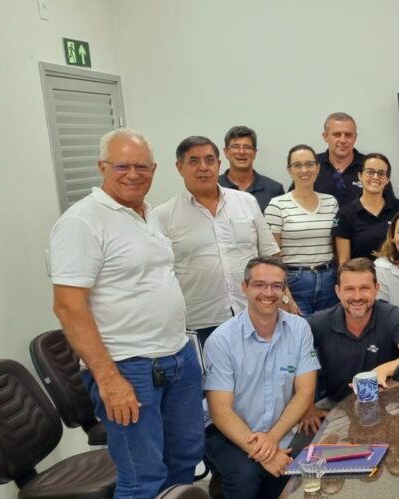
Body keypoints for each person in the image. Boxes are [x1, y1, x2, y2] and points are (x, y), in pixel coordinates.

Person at [50, 129, 203, 497]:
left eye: (141, 166)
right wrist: (109, 379)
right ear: (102, 166)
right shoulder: (82, 221)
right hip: (128, 368)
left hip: (177, 357)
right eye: (122, 166)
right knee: (142, 478)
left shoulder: (147, 214)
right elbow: (68, 306)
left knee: (184, 461)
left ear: (154, 169)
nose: (133, 174)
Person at [203, 257, 319, 499]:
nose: (268, 293)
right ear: (244, 287)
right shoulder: (221, 340)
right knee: (245, 476)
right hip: (226, 431)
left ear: (284, 291)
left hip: (279, 429)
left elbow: (305, 392)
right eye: (259, 285)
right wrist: (266, 452)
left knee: (289, 478)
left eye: (276, 286)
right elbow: (220, 411)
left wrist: (272, 440)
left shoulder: (300, 329)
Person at [153, 135, 283, 346]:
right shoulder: (163, 216)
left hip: (253, 313)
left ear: (219, 164)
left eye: (209, 160)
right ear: (179, 167)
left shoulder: (246, 202)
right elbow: (159, 276)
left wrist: (284, 297)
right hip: (201, 322)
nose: (203, 167)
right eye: (194, 161)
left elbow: (270, 256)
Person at [301, 258, 399, 434]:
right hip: (335, 405)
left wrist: (383, 370)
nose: (357, 296)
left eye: (364, 288)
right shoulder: (319, 322)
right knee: (304, 445)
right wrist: (307, 407)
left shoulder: (390, 315)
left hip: (386, 402)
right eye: (349, 289)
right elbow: (294, 361)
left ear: (376, 289)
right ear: (338, 291)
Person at [265, 144, 339, 316]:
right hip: (295, 282)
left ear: (318, 168)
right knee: (298, 330)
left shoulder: (331, 202)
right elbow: (272, 255)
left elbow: (336, 245)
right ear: (289, 170)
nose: (304, 170)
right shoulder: (277, 205)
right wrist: (285, 294)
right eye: (297, 165)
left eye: (309, 164)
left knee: (328, 330)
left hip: (329, 280)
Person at [333, 153, 399, 264]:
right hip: (361, 274)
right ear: (360, 176)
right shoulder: (345, 214)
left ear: (387, 179)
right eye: (370, 172)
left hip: (395, 272)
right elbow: (344, 262)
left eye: (381, 173)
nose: (375, 177)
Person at [311, 112, 395, 206]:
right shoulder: (311, 166)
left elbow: (390, 206)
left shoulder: (372, 167)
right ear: (325, 136)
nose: (343, 140)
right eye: (337, 134)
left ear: (355, 137)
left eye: (348, 135)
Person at [218, 125, 285, 211]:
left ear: (254, 153)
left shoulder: (274, 189)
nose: (241, 152)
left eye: (247, 147)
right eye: (235, 147)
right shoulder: (214, 187)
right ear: (226, 152)